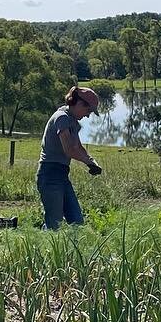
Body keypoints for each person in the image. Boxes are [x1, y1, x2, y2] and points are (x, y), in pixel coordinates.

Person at [36, 84, 103, 230]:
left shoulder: (72, 121)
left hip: (62, 175)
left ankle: (73, 251)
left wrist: (92, 162)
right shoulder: (62, 118)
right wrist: (87, 162)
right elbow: (69, 150)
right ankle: (43, 247)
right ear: (79, 103)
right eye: (88, 110)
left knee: (77, 221)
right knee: (54, 224)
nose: (88, 115)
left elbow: (78, 147)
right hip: (49, 175)